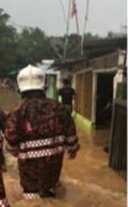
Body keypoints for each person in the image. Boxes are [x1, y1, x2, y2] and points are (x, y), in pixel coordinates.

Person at [5, 65, 79, 199]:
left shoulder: (16, 114)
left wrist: (18, 151)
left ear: (20, 89)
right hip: (53, 167)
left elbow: (11, 143)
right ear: (43, 86)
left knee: (31, 198)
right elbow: (71, 135)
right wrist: (72, 150)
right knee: (53, 194)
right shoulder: (59, 108)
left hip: (29, 171)